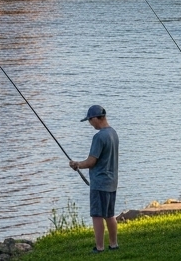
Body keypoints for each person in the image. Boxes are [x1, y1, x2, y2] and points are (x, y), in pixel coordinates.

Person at [69, 105, 119, 252]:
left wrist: (77, 164)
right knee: (110, 215)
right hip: (112, 181)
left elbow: (91, 161)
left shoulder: (99, 137)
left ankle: (99, 247)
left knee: (97, 215)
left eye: (90, 120)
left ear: (96, 118)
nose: (90, 124)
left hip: (99, 183)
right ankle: (113, 244)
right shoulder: (113, 133)